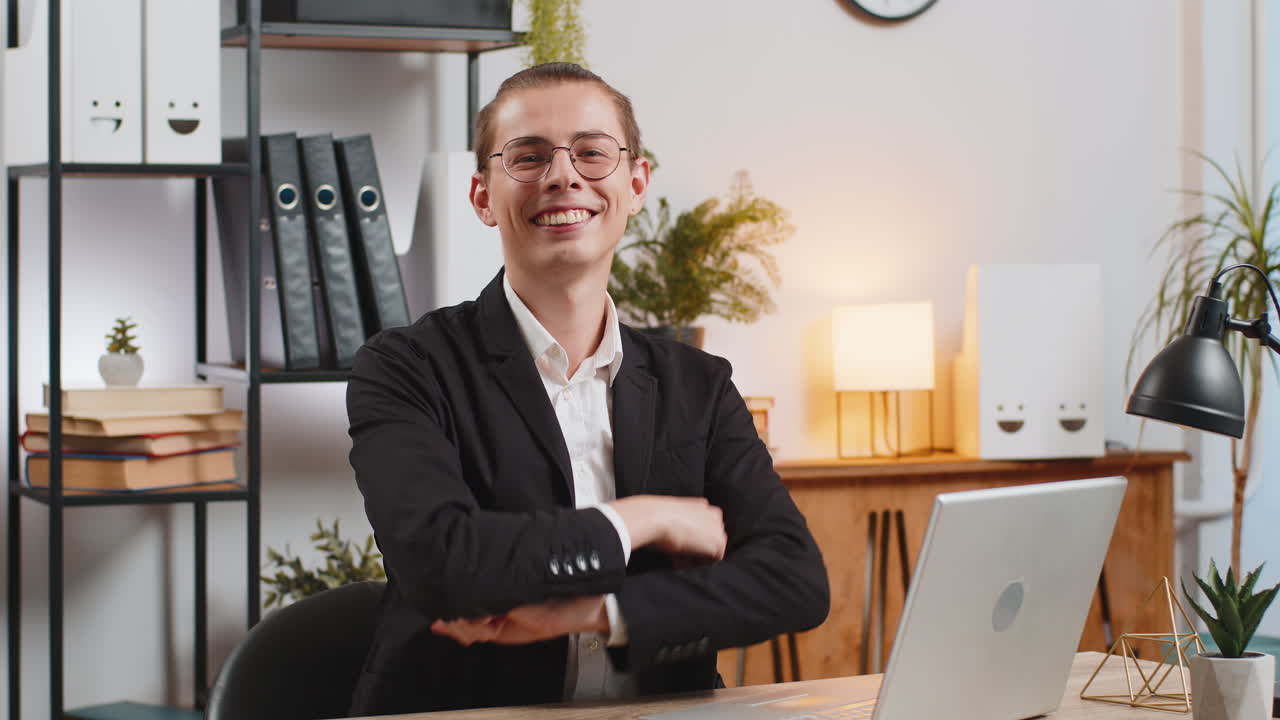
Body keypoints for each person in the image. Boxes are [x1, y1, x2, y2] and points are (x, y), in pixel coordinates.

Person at [346, 62, 829, 716]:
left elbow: (794, 580)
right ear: (483, 197)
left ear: (635, 185)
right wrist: (644, 518)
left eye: (592, 153)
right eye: (528, 156)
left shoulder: (697, 384)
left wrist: (601, 612)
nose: (563, 175)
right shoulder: (407, 367)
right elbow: (442, 563)